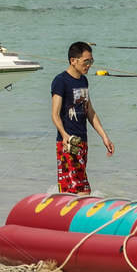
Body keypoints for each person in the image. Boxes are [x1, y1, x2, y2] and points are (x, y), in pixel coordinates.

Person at [50, 42, 114, 194]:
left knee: (74, 191)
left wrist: (104, 137)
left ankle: (64, 215)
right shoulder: (61, 81)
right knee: (82, 191)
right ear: (73, 60)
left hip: (82, 142)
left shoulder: (83, 81)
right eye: (86, 61)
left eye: (91, 61)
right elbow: (55, 114)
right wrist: (65, 135)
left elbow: (89, 111)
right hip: (67, 144)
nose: (89, 65)